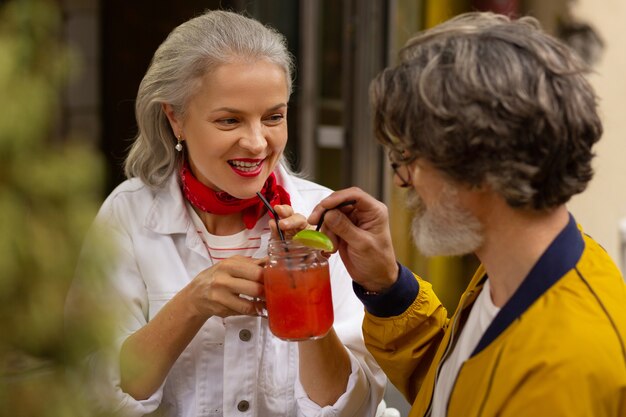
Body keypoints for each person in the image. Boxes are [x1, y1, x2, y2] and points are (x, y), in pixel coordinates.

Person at [68, 10, 387, 417]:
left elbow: (356, 408)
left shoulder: (322, 223)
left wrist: (307, 290)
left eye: (274, 116)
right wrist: (192, 304)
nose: (256, 143)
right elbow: (92, 394)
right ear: (175, 119)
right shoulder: (128, 215)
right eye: (229, 120)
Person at [308, 12, 626, 417]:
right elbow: (459, 389)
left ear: (479, 166)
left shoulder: (566, 369)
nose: (404, 181)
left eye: (410, 158)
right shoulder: (515, 268)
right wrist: (388, 289)